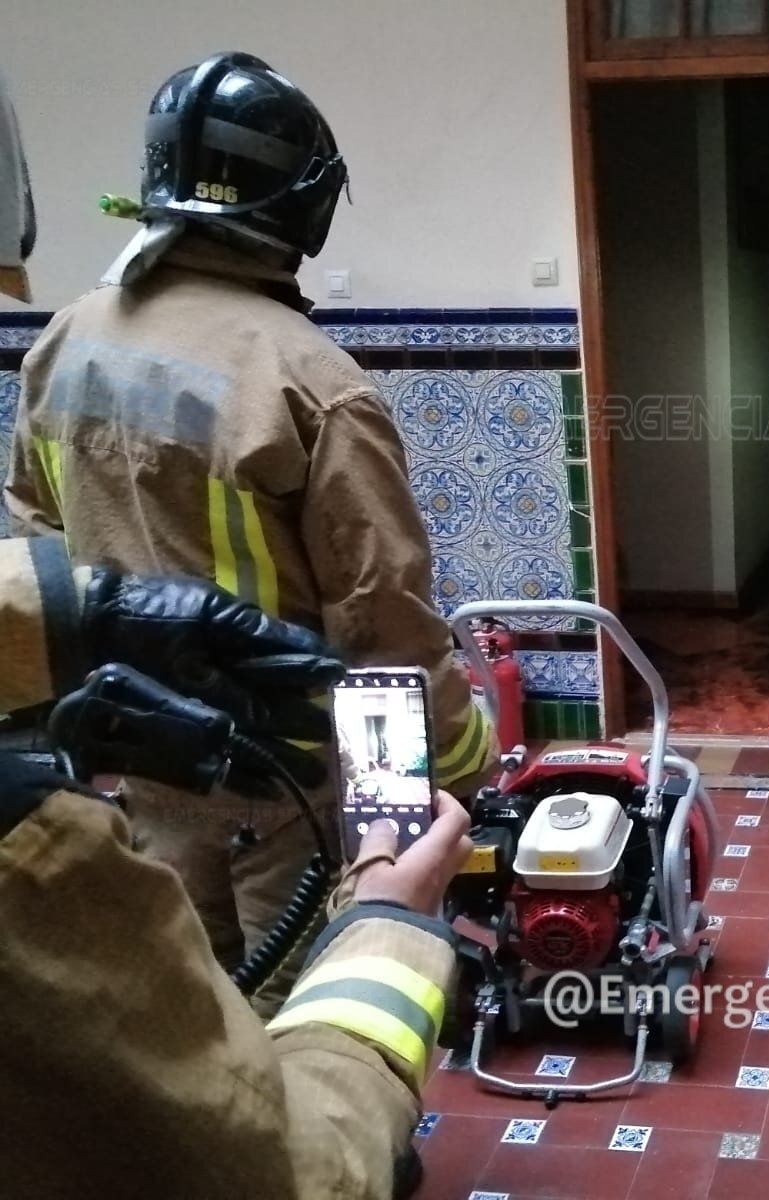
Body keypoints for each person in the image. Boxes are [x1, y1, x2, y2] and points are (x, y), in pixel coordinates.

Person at [4, 51, 495, 1014]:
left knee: (189, 996)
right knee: (313, 1003)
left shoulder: (65, 341)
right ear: (300, 208)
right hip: (288, 782)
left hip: (138, 755)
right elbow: (381, 620)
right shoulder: (308, 379)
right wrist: (458, 751)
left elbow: (34, 536)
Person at [0, 532, 472, 1198]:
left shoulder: (39, 418)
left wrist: (82, 613)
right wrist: (385, 927)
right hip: (276, 770)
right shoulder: (32, 862)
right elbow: (291, 1181)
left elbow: (33, 511)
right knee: (277, 982)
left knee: (209, 970)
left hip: (158, 748)